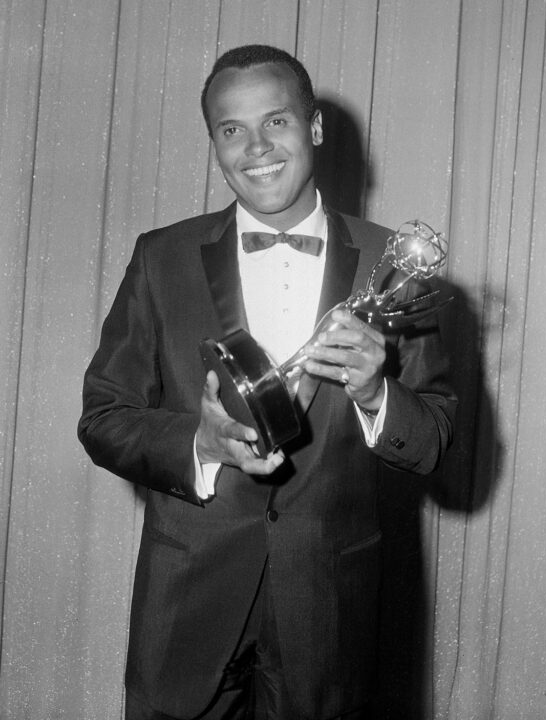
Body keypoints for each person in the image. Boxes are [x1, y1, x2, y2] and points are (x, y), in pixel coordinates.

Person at [78, 44, 456, 720]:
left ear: (313, 128)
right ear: (214, 144)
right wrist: (203, 444)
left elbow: (432, 440)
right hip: (186, 606)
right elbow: (104, 417)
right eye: (231, 129)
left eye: (275, 121)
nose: (255, 147)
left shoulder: (392, 265)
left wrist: (376, 394)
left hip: (329, 611)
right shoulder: (160, 257)